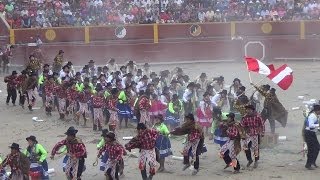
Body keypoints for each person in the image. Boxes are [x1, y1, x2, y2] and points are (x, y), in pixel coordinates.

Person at [303, 104, 320, 170]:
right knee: (311, 149)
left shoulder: (316, 115)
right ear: (317, 111)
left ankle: (313, 162)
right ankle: (308, 164)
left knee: (317, 147)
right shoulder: (312, 116)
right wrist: (318, 125)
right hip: (309, 133)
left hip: (312, 133)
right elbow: (310, 125)